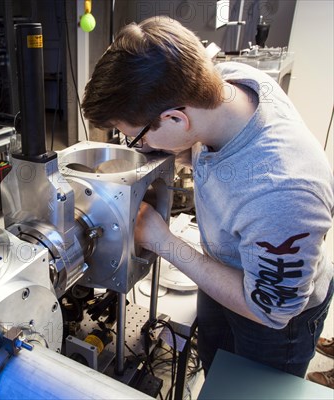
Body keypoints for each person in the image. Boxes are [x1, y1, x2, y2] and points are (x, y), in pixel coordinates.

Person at [81, 16, 334, 378]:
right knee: (215, 373)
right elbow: (204, 146)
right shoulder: (226, 83)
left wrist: (162, 241)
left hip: (275, 321)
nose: (140, 147)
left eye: (135, 137)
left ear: (175, 119)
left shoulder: (283, 190)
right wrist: (183, 153)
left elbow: (271, 311)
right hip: (222, 276)